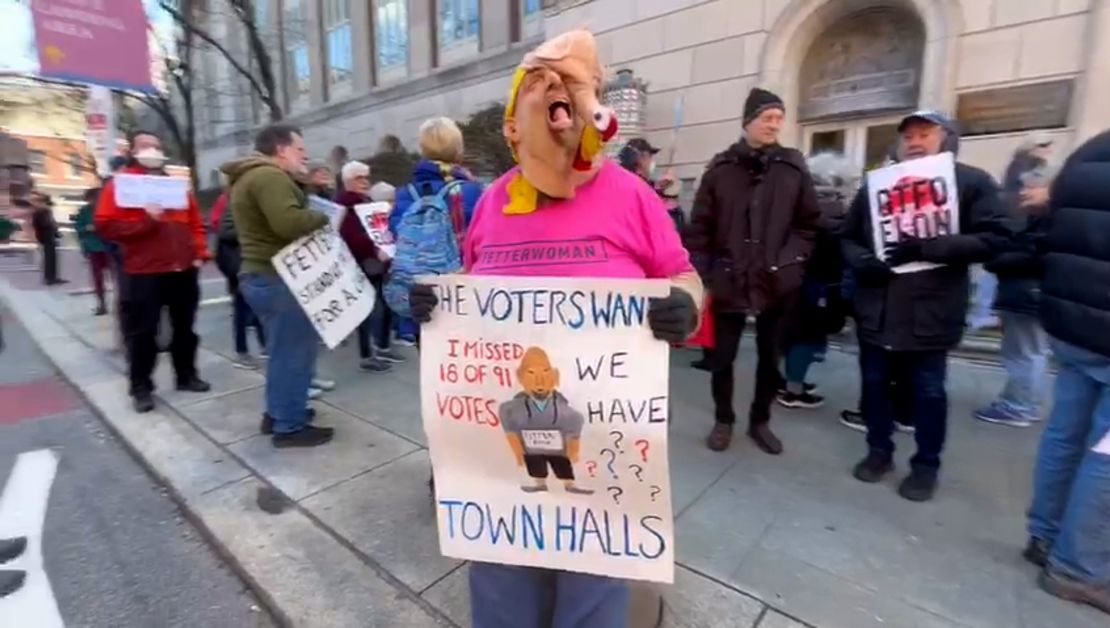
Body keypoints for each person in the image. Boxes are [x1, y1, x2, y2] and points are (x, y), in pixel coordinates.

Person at [409, 29, 700, 628]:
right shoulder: (492, 202)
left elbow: (684, 275)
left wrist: (684, 304)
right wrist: (437, 308)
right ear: (516, 121)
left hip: (604, 439)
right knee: (501, 585)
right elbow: (471, 284)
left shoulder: (632, 196)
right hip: (501, 447)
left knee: (592, 590)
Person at [840, 111, 1009, 502]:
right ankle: (879, 451)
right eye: (908, 136)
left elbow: (996, 238)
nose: (915, 142)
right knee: (875, 387)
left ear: (947, 138)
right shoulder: (876, 185)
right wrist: (862, 261)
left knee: (928, 393)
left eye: (925, 134)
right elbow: (847, 237)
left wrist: (928, 247)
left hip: (930, 313)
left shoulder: (971, 182)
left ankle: (925, 465)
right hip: (878, 309)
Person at [685, 87, 822, 455]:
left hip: (777, 281)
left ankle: (760, 421)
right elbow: (700, 230)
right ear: (748, 121)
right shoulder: (721, 170)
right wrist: (705, 276)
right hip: (728, 279)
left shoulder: (792, 167)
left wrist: (791, 262)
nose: (774, 125)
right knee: (722, 357)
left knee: (770, 356)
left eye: (779, 118)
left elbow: (808, 224)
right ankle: (723, 419)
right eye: (767, 118)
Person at [1023, 129, 1110, 615]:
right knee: (1105, 455)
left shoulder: (1089, 151)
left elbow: (1050, 224)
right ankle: (1080, 568)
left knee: (1065, 433)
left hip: (1071, 322)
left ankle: (1046, 534)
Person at [222, 124, 334, 448]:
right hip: (278, 277)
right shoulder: (270, 177)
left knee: (281, 352)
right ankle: (290, 426)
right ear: (281, 150)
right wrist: (324, 216)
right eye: (300, 149)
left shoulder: (250, 176)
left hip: (261, 276)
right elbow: (289, 223)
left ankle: (279, 412)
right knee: (295, 354)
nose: (306, 155)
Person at [94, 130, 211, 413]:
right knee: (143, 332)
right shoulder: (121, 187)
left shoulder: (177, 186)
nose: (152, 151)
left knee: (185, 328)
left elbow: (195, 224)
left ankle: (186, 375)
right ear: (132, 151)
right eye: (145, 146)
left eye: (157, 146)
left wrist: (199, 254)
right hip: (144, 272)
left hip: (183, 270)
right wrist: (146, 222)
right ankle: (141, 387)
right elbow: (106, 226)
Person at [974, 139, 1053, 428]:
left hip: (1029, 293)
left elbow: (1035, 257)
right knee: (1023, 351)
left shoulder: (1050, 221)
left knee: (1026, 352)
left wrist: (996, 260)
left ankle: (1020, 407)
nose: (1023, 192)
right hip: (1026, 293)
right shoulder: (1041, 220)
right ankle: (1016, 401)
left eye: (1030, 186)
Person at [389, 117, 484, 347]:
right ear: (458, 150)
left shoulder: (405, 193)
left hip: (422, 297)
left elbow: (396, 235)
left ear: (423, 150)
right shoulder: (473, 191)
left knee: (432, 370)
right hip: (464, 296)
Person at [775, 153, 853, 409]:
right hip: (815, 286)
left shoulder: (793, 208)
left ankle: (788, 383)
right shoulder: (831, 216)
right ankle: (793, 390)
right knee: (804, 338)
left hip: (794, 282)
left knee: (794, 336)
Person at [335, 160, 402, 371]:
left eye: (366, 177)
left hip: (375, 262)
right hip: (363, 263)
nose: (364, 182)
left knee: (382, 306)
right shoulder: (346, 205)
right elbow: (352, 237)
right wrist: (376, 249)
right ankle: (368, 353)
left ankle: (379, 347)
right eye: (359, 178)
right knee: (370, 310)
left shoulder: (365, 202)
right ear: (348, 181)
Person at [213, 191, 267, 369]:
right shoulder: (235, 202)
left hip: (253, 263)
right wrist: (253, 227)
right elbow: (225, 231)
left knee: (259, 308)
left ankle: (265, 345)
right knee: (242, 310)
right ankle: (241, 352)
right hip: (240, 266)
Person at [74, 187, 112, 315]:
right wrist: (86, 228)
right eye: (91, 199)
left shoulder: (107, 208)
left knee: (116, 277)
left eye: (96, 198)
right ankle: (101, 304)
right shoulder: (84, 211)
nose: (93, 201)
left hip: (109, 247)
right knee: (97, 279)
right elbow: (78, 227)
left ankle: (120, 303)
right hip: (93, 248)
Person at [30, 192, 65, 286]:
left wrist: (56, 231)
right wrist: (51, 227)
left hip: (49, 234)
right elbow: (40, 225)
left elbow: (51, 223)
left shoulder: (46, 211)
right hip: (45, 235)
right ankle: (49, 278)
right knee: (48, 257)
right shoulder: (39, 212)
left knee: (52, 257)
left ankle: (53, 277)